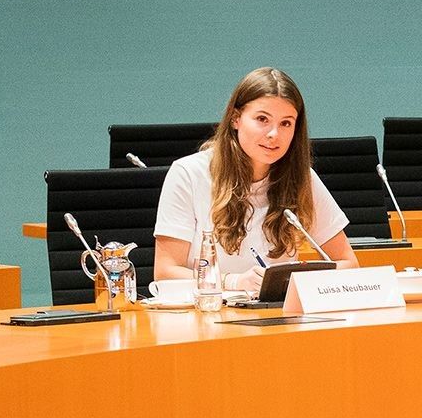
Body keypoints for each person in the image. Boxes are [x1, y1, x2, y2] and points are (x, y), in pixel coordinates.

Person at [153, 67, 357, 291]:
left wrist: (296, 281)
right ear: (235, 119)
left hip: (278, 316)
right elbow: (166, 272)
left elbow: (348, 263)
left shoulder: (302, 177)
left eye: (286, 123)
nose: (274, 134)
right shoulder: (189, 174)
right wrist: (234, 282)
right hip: (207, 314)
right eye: (262, 119)